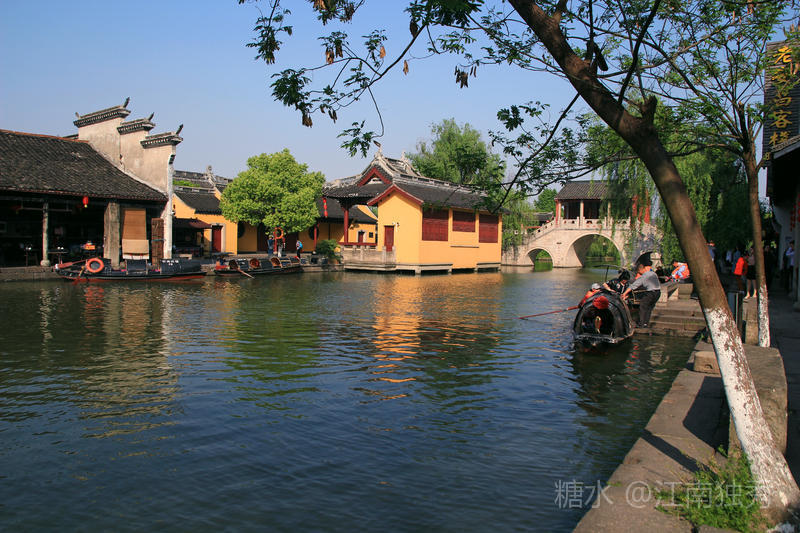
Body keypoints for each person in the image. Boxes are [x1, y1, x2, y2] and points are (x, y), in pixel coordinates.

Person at [622, 262, 661, 328]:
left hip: (651, 293)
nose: (639, 273)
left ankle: (641, 323)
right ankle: (646, 323)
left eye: (639, 272)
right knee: (649, 308)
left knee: (642, 306)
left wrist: (624, 293)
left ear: (640, 270)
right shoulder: (653, 273)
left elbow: (633, 286)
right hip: (658, 292)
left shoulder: (644, 276)